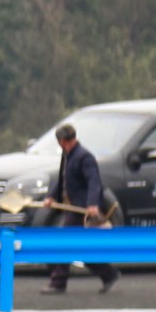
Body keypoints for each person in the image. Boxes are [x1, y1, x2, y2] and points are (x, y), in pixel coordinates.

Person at [41, 122, 119, 295]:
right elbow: (62, 178)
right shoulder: (67, 155)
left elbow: (94, 182)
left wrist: (92, 204)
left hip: (81, 209)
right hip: (71, 207)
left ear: (62, 141)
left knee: (64, 242)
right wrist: (51, 197)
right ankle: (108, 274)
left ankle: (58, 283)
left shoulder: (85, 157)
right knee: (80, 247)